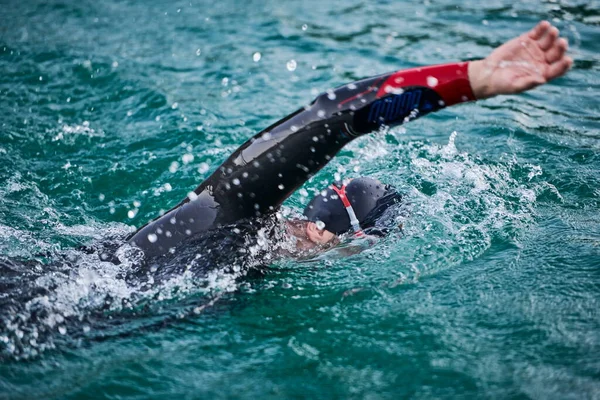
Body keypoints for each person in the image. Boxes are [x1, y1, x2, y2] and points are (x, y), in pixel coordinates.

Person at [128, 21, 572, 259]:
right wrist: (472, 80)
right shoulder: (232, 209)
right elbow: (333, 116)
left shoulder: (230, 241)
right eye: (360, 248)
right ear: (332, 236)